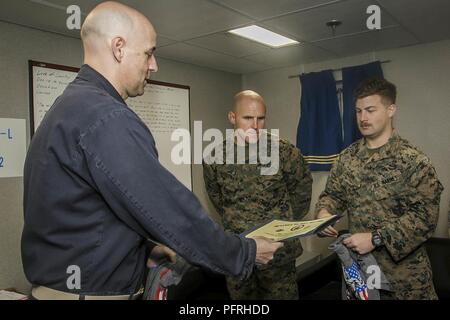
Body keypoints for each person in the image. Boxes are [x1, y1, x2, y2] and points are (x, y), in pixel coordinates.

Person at [21, 1, 282, 300]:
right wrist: (242, 253)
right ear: (119, 48)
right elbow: (167, 207)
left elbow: (79, 213)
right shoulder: (106, 117)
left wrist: (142, 248)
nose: (154, 65)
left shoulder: (67, 107)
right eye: (149, 52)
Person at [316, 77, 443, 300]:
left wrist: (376, 238)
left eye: (370, 110)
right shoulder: (347, 158)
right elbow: (332, 195)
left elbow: (425, 219)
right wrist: (324, 212)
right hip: (363, 276)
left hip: (405, 281)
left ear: (391, 109)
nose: (363, 118)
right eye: (358, 111)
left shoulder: (413, 161)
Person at [203, 90, 313, 299]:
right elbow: (218, 199)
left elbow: (301, 193)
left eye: (260, 118)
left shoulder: (284, 151)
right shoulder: (214, 156)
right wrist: (240, 223)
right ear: (232, 117)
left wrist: (282, 227)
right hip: (238, 251)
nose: (255, 125)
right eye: (247, 118)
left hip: (277, 254)